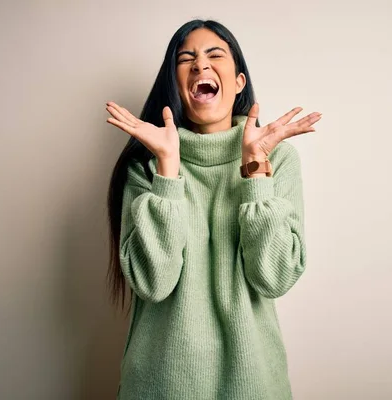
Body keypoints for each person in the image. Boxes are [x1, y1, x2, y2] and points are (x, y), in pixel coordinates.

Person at [104, 19, 321, 400]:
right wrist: (168, 170)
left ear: (238, 82)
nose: (201, 65)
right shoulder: (146, 165)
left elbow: (274, 277)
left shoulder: (277, 158)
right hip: (159, 386)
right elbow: (153, 283)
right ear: (177, 86)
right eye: (187, 59)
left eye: (214, 55)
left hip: (252, 385)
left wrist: (255, 167)